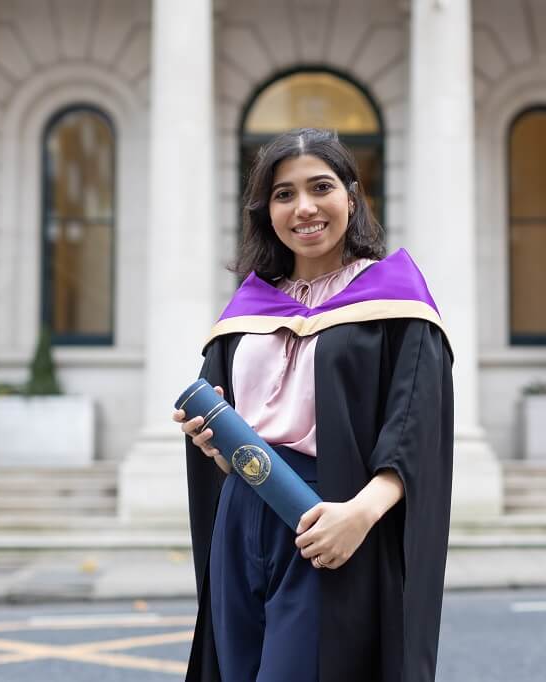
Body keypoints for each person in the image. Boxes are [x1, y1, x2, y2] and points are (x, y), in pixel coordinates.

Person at [174, 128, 454, 682]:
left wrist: (361, 514)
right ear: (266, 211)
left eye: (320, 187)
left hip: (328, 517)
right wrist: (213, 445)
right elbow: (235, 434)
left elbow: (417, 425)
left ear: (351, 195)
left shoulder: (394, 297)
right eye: (283, 194)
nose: (304, 207)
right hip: (241, 515)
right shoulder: (248, 306)